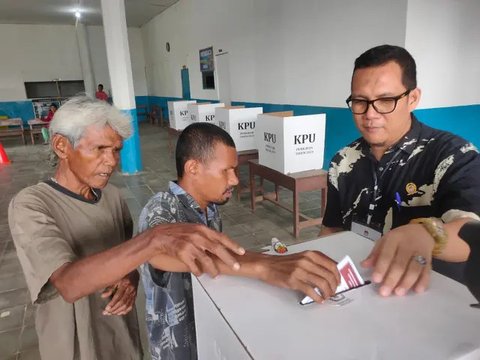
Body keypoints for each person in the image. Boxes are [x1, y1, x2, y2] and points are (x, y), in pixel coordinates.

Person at [8, 96, 247, 360]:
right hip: (74, 345)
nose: (111, 161)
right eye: (99, 149)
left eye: (116, 150)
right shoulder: (31, 205)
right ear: (62, 146)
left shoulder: (112, 197)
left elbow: (130, 260)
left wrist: (132, 278)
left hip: (121, 335)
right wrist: (153, 240)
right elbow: (68, 284)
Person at [140, 122, 341, 360]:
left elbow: (216, 255)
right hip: (178, 348)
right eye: (226, 171)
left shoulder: (210, 206)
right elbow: (155, 251)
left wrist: (272, 260)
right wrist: (262, 267)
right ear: (193, 167)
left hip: (208, 329)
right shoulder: (161, 208)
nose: (235, 180)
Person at [320, 44, 480, 297]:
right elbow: (332, 228)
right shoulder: (343, 160)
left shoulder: (454, 155)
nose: (370, 114)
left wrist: (427, 233)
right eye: (360, 101)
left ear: (413, 98)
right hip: (358, 290)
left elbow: (471, 232)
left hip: (425, 298)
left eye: (385, 100)